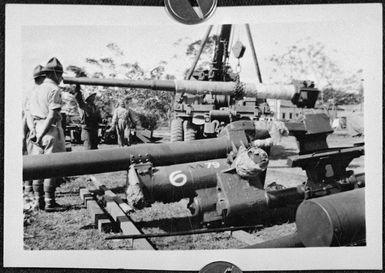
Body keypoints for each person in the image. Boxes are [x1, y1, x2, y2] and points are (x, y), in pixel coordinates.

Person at [26, 57, 66, 212]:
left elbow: (29, 114)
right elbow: (52, 115)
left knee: (38, 167)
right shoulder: (54, 89)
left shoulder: (34, 90)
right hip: (49, 130)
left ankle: (38, 202)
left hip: (35, 129)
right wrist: (42, 134)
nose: (61, 78)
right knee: (51, 167)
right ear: (56, 74)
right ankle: (50, 202)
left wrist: (34, 132)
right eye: (60, 74)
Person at [23, 65, 46, 198]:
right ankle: (38, 194)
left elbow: (27, 113)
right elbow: (29, 114)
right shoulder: (40, 92)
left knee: (31, 158)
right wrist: (32, 129)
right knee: (38, 161)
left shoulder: (30, 91)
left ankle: (29, 189)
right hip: (36, 127)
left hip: (31, 126)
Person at [72, 85, 102, 150]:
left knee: (95, 149)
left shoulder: (95, 107)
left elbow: (99, 118)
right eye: (92, 96)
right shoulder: (84, 106)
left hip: (94, 130)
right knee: (88, 150)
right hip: (87, 130)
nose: (94, 97)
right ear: (88, 97)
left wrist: (101, 119)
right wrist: (77, 91)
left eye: (94, 96)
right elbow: (79, 101)